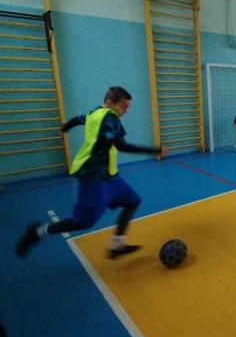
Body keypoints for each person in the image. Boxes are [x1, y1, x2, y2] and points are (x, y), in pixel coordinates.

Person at [15, 86, 168, 259]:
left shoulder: (94, 112)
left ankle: (117, 245)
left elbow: (78, 119)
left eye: (127, 108)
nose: (125, 111)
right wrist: (156, 150)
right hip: (93, 176)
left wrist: (65, 127)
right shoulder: (110, 118)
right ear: (109, 102)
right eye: (123, 107)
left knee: (132, 201)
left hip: (110, 176)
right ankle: (38, 230)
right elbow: (122, 146)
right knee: (82, 222)